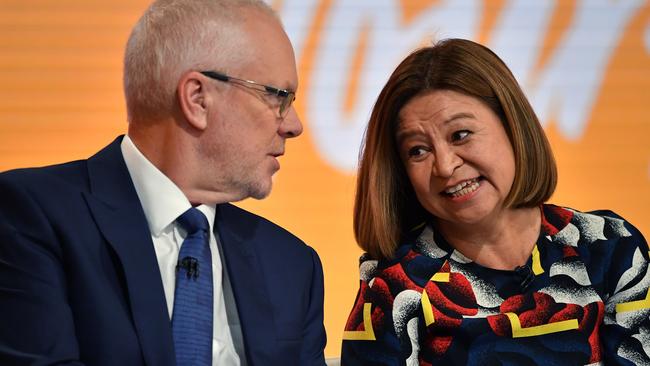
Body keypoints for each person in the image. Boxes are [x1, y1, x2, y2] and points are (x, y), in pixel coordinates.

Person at [0, 0, 326, 365]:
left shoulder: (293, 265)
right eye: (277, 97)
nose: (294, 125)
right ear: (197, 99)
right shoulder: (31, 217)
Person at [340, 38, 649, 365]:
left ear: (512, 126)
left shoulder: (611, 245)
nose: (445, 166)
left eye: (460, 135)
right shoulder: (393, 284)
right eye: (418, 150)